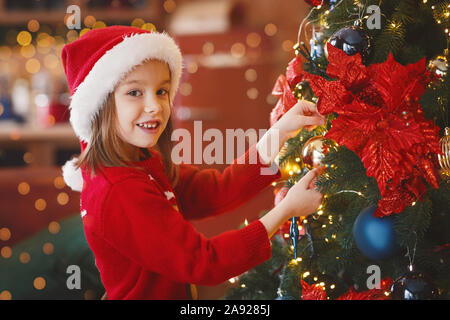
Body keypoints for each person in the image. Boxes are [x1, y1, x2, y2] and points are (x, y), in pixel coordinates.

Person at [61, 25, 325, 300]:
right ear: (100, 105)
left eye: (161, 91)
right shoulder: (119, 190)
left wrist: (279, 133)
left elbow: (217, 190)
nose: (154, 105)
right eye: (135, 93)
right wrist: (284, 211)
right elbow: (203, 262)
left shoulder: (143, 163)